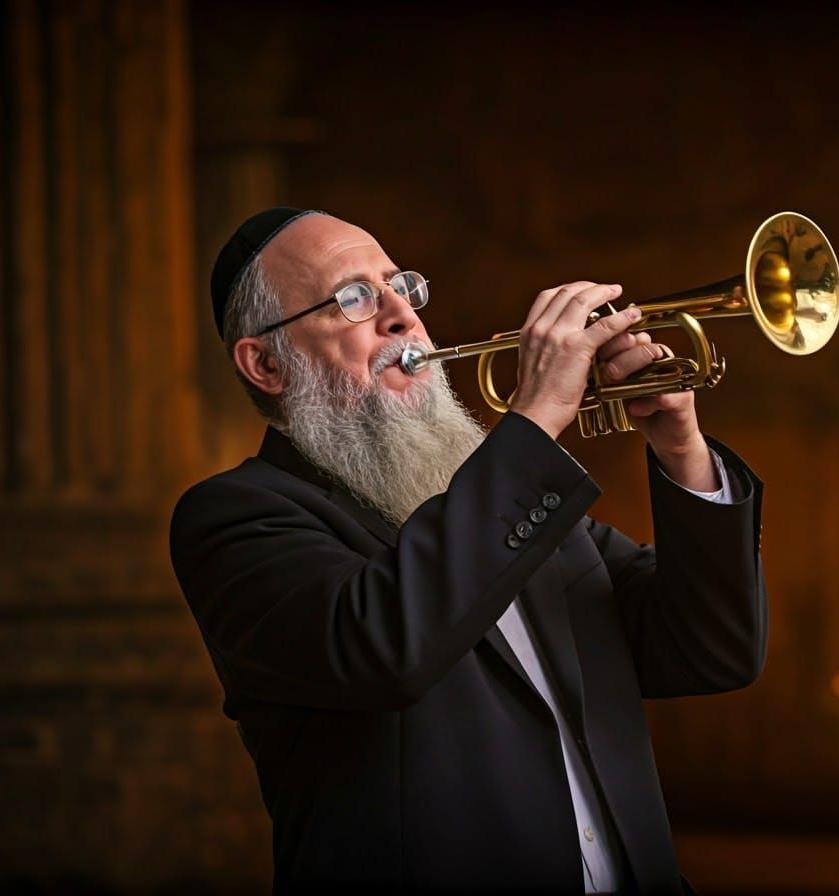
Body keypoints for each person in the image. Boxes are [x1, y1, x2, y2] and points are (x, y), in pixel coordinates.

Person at [169, 207, 768, 894]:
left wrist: (680, 446)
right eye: (353, 299)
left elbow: (711, 648)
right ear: (266, 364)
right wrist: (536, 420)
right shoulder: (237, 517)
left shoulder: (520, 508)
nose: (402, 317)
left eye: (402, 287)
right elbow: (384, 648)